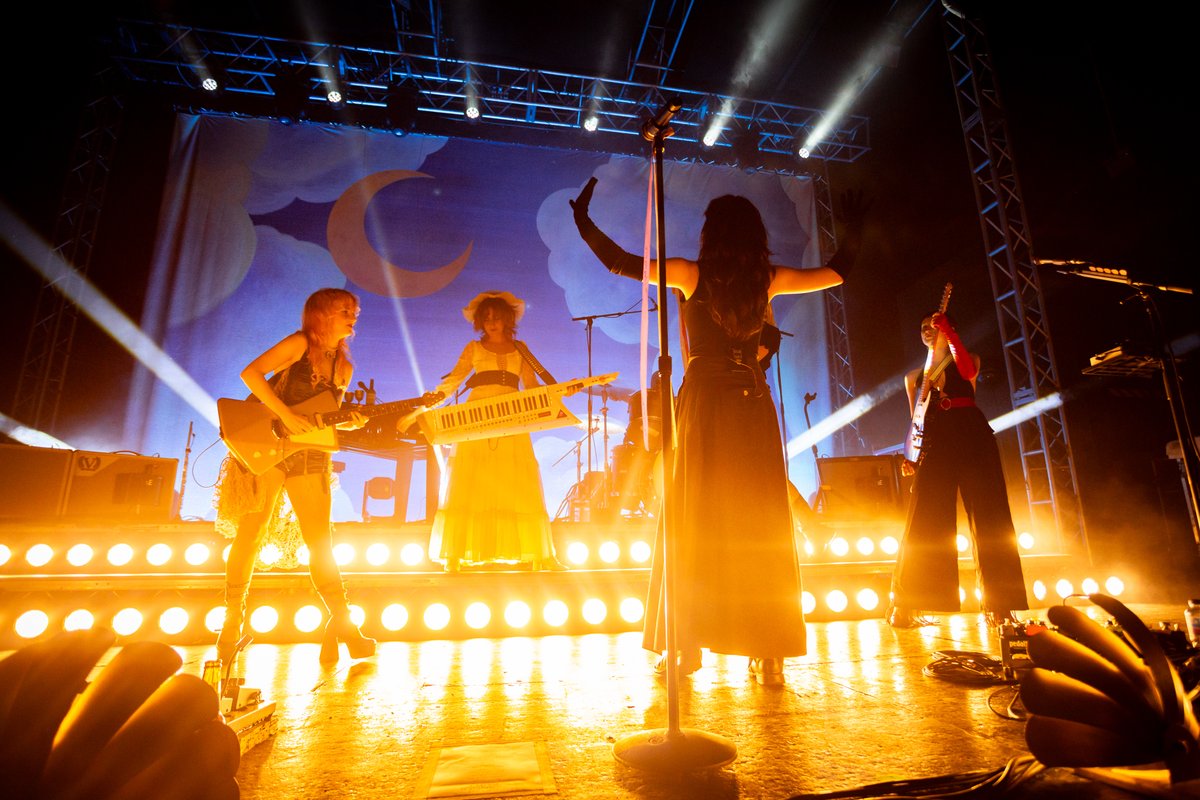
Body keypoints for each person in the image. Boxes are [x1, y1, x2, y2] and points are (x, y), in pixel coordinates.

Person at [570, 177, 844, 685]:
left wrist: (583, 221)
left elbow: (619, 262)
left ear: (711, 234)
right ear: (754, 235)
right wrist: (859, 227)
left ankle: (687, 646)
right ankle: (769, 653)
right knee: (758, 520)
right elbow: (835, 274)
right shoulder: (769, 278)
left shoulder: (690, 275)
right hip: (751, 403)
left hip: (705, 402)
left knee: (694, 517)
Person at [214, 287, 376, 667]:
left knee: (321, 541)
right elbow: (250, 374)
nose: (353, 315)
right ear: (322, 314)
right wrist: (284, 415)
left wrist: (350, 423)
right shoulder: (299, 344)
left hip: (311, 455)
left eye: (354, 310)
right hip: (270, 448)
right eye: (344, 310)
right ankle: (231, 618)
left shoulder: (345, 368)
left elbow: (322, 417)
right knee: (250, 534)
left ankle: (344, 622)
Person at [887, 311, 1029, 628]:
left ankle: (1001, 604)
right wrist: (911, 454)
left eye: (933, 326)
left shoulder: (968, 359)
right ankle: (909, 603)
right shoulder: (914, 377)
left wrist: (949, 333)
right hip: (936, 440)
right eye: (923, 327)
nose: (928, 331)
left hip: (972, 434)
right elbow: (916, 420)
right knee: (925, 517)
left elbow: (965, 371)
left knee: (990, 514)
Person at [417, 291, 561, 572]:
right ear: (481, 322)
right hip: (477, 418)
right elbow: (455, 379)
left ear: (507, 320)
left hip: (513, 418)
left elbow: (531, 385)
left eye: (497, 318)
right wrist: (431, 400)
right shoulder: (474, 348)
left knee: (517, 480)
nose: (492, 323)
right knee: (471, 480)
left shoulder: (521, 348)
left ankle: (540, 556)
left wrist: (557, 394)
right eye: (487, 318)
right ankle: (455, 555)